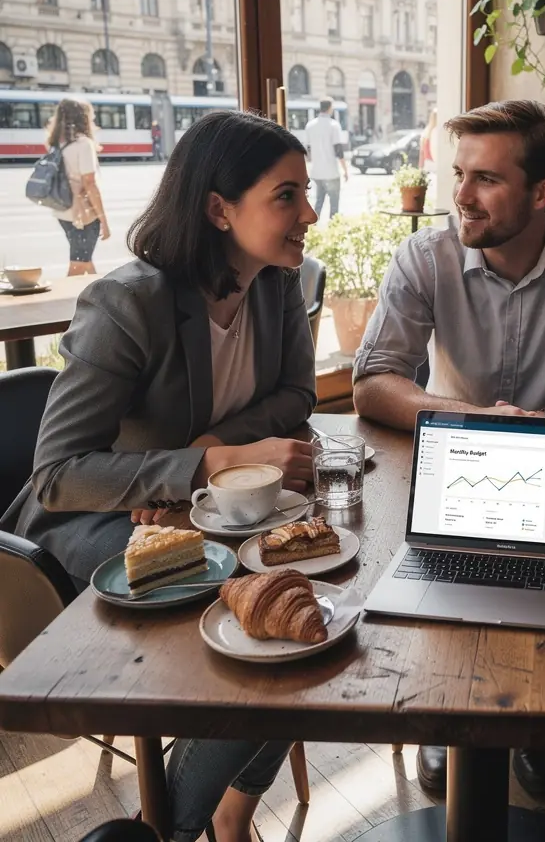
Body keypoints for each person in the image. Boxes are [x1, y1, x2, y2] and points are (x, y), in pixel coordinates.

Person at [1, 109, 319, 842]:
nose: (309, 212)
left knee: (296, 603)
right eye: (287, 195)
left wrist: (211, 449)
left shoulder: (274, 283)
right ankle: (173, 828)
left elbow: (298, 396)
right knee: (246, 618)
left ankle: (221, 814)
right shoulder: (129, 303)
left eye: (305, 192)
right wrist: (210, 465)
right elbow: (57, 475)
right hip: (90, 528)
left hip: (195, 513)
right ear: (217, 208)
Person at [353, 98, 545, 797]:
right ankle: (440, 718)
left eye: (485, 179)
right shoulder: (423, 255)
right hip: (452, 465)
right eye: (457, 173)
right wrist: (471, 420)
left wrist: (540, 424)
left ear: (542, 192)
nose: (460, 195)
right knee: (442, 583)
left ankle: (543, 723)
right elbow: (373, 383)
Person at [44, 97, 110, 275]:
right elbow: (89, 183)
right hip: (83, 215)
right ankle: (66, 301)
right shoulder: (83, 144)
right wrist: (103, 219)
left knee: (85, 260)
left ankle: (99, 300)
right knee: (78, 265)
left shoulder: (57, 143)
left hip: (62, 209)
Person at [306, 96, 348, 219]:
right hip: (331, 172)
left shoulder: (310, 125)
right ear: (330, 108)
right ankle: (333, 231)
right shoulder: (333, 125)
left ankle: (313, 229)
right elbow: (338, 150)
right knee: (334, 206)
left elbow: (308, 151)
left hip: (317, 172)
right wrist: (345, 170)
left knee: (318, 202)